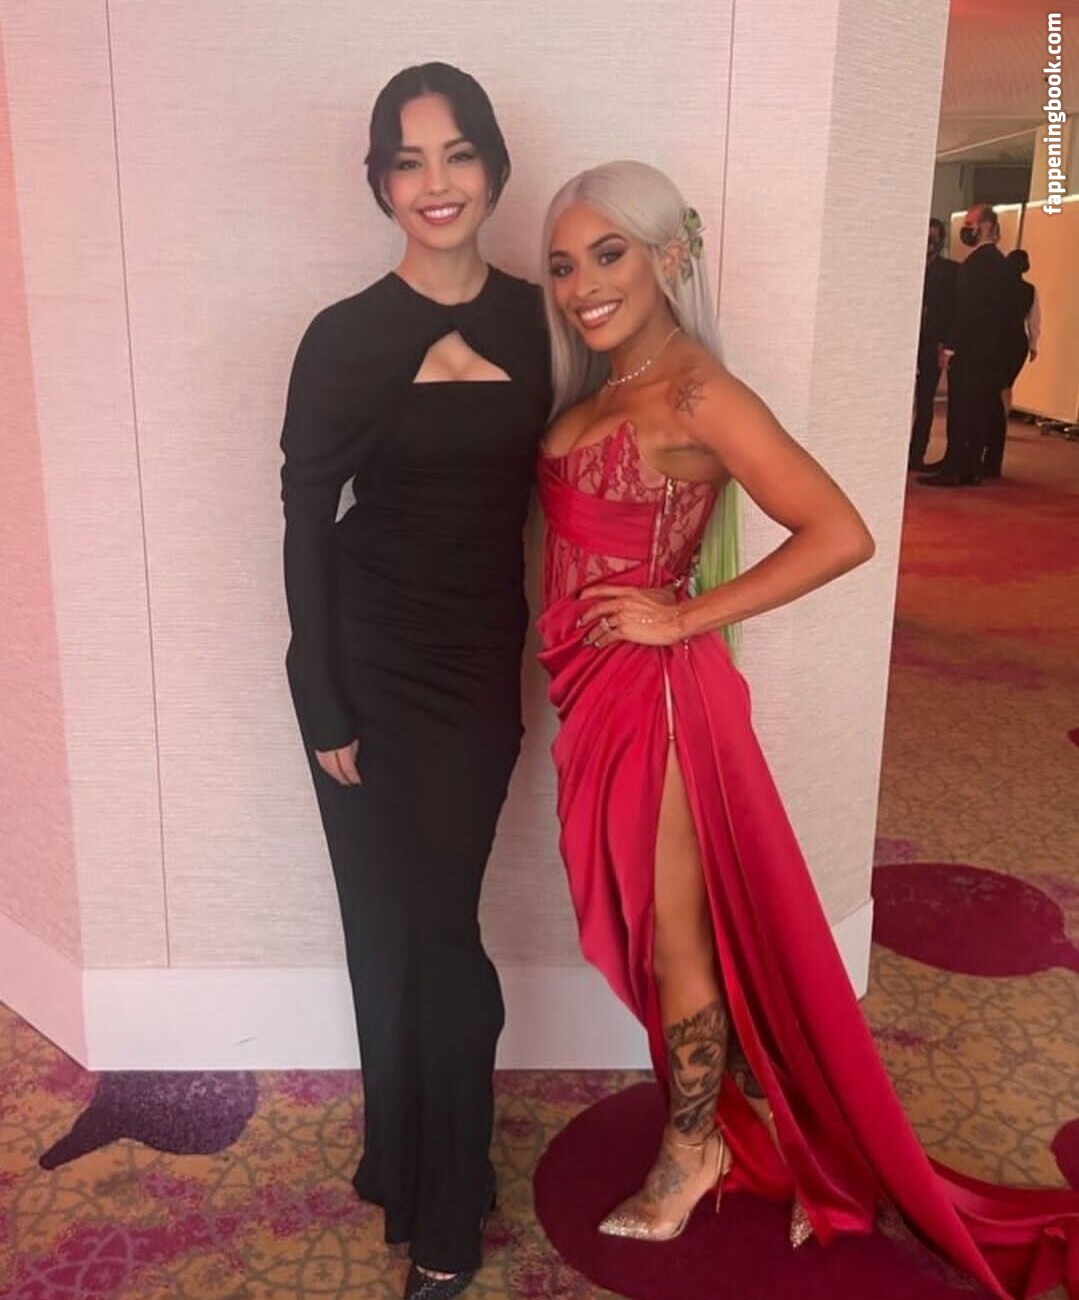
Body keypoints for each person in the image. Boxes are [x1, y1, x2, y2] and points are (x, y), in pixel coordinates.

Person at [535, 161, 1079, 1298]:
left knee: (675, 937)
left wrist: (680, 614)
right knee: (653, 924)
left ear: (667, 256)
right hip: (588, 692)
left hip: (657, 700)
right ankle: (728, 1122)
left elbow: (839, 531)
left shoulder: (697, 392)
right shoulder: (602, 380)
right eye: (563, 264)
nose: (582, 284)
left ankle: (692, 1151)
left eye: (607, 253)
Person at [280, 63, 549, 1300]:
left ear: (491, 165)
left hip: (473, 665)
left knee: (441, 928)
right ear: (380, 181)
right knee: (381, 927)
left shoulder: (537, 321)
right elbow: (304, 519)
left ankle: (448, 1199)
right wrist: (321, 699)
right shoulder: (343, 335)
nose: (434, 183)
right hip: (359, 662)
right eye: (407, 160)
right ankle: (404, 1158)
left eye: (455, 154)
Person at [919, 204, 1012, 488]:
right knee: (977, 410)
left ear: (985, 226)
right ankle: (969, 465)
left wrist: (950, 348)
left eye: (970, 224)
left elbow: (965, 311)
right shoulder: (1000, 264)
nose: (966, 229)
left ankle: (954, 467)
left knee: (961, 411)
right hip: (989, 351)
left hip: (969, 351)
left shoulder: (975, 265)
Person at [908, 218, 957, 472]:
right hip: (906, 342)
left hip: (932, 343)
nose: (930, 243)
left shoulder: (951, 271)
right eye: (926, 237)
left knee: (925, 400)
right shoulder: (907, 267)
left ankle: (916, 453)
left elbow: (953, 311)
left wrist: (947, 346)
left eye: (935, 238)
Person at [995, 249, 1041, 474]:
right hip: (1017, 342)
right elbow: (1034, 320)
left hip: (998, 340)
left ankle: (992, 425)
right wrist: (1033, 344)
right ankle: (1001, 424)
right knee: (1007, 385)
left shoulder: (998, 288)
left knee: (993, 385)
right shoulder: (1030, 290)